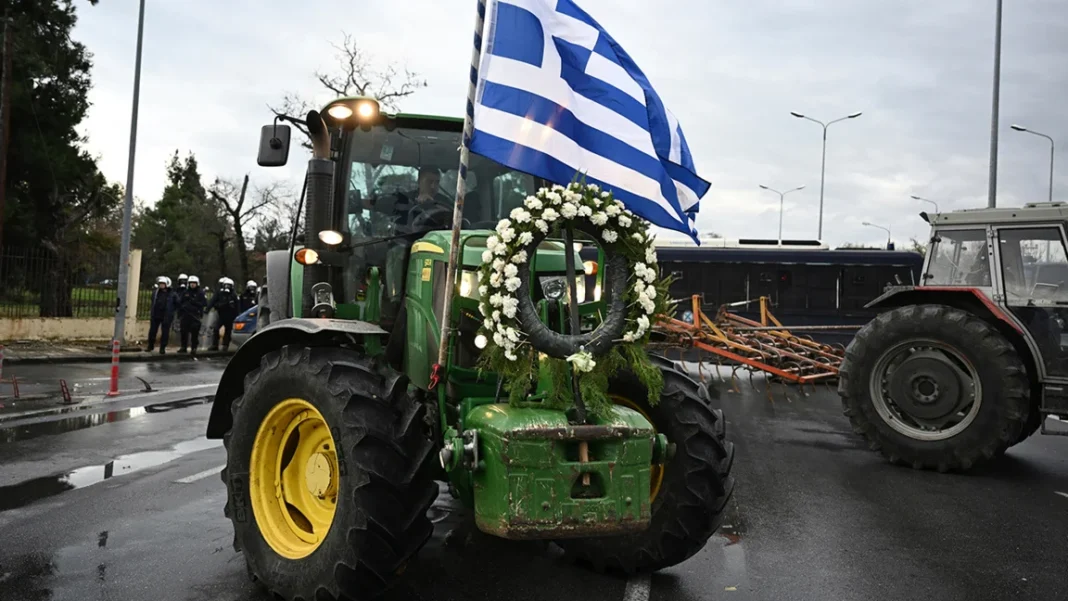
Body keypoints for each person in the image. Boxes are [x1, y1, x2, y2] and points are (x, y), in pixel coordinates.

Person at [207, 277, 240, 351]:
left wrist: (237, 315)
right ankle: (215, 345)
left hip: (230, 316)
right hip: (221, 315)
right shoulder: (220, 293)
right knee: (216, 329)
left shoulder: (234, 295)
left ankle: (225, 345)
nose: (227, 287)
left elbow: (237, 306)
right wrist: (208, 309)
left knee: (228, 331)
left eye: (229, 285)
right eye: (226, 285)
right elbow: (213, 301)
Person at [177, 275, 207, 356]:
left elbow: (204, 303)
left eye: (194, 283)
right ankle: (183, 347)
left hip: (195, 315)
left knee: (194, 333)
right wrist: (181, 311)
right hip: (185, 315)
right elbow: (180, 302)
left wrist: (194, 302)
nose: (192, 284)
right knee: (183, 331)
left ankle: (194, 348)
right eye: (191, 283)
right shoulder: (185, 292)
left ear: (197, 283)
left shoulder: (200, 293)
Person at [146, 276, 177, 354]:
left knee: (165, 332)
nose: (161, 285)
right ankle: (150, 345)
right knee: (152, 331)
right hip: (156, 314)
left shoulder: (172, 294)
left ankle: (162, 348)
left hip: (166, 316)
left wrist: (171, 312)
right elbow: (153, 302)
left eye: (163, 284)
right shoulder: (155, 293)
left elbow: (177, 304)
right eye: (160, 284)